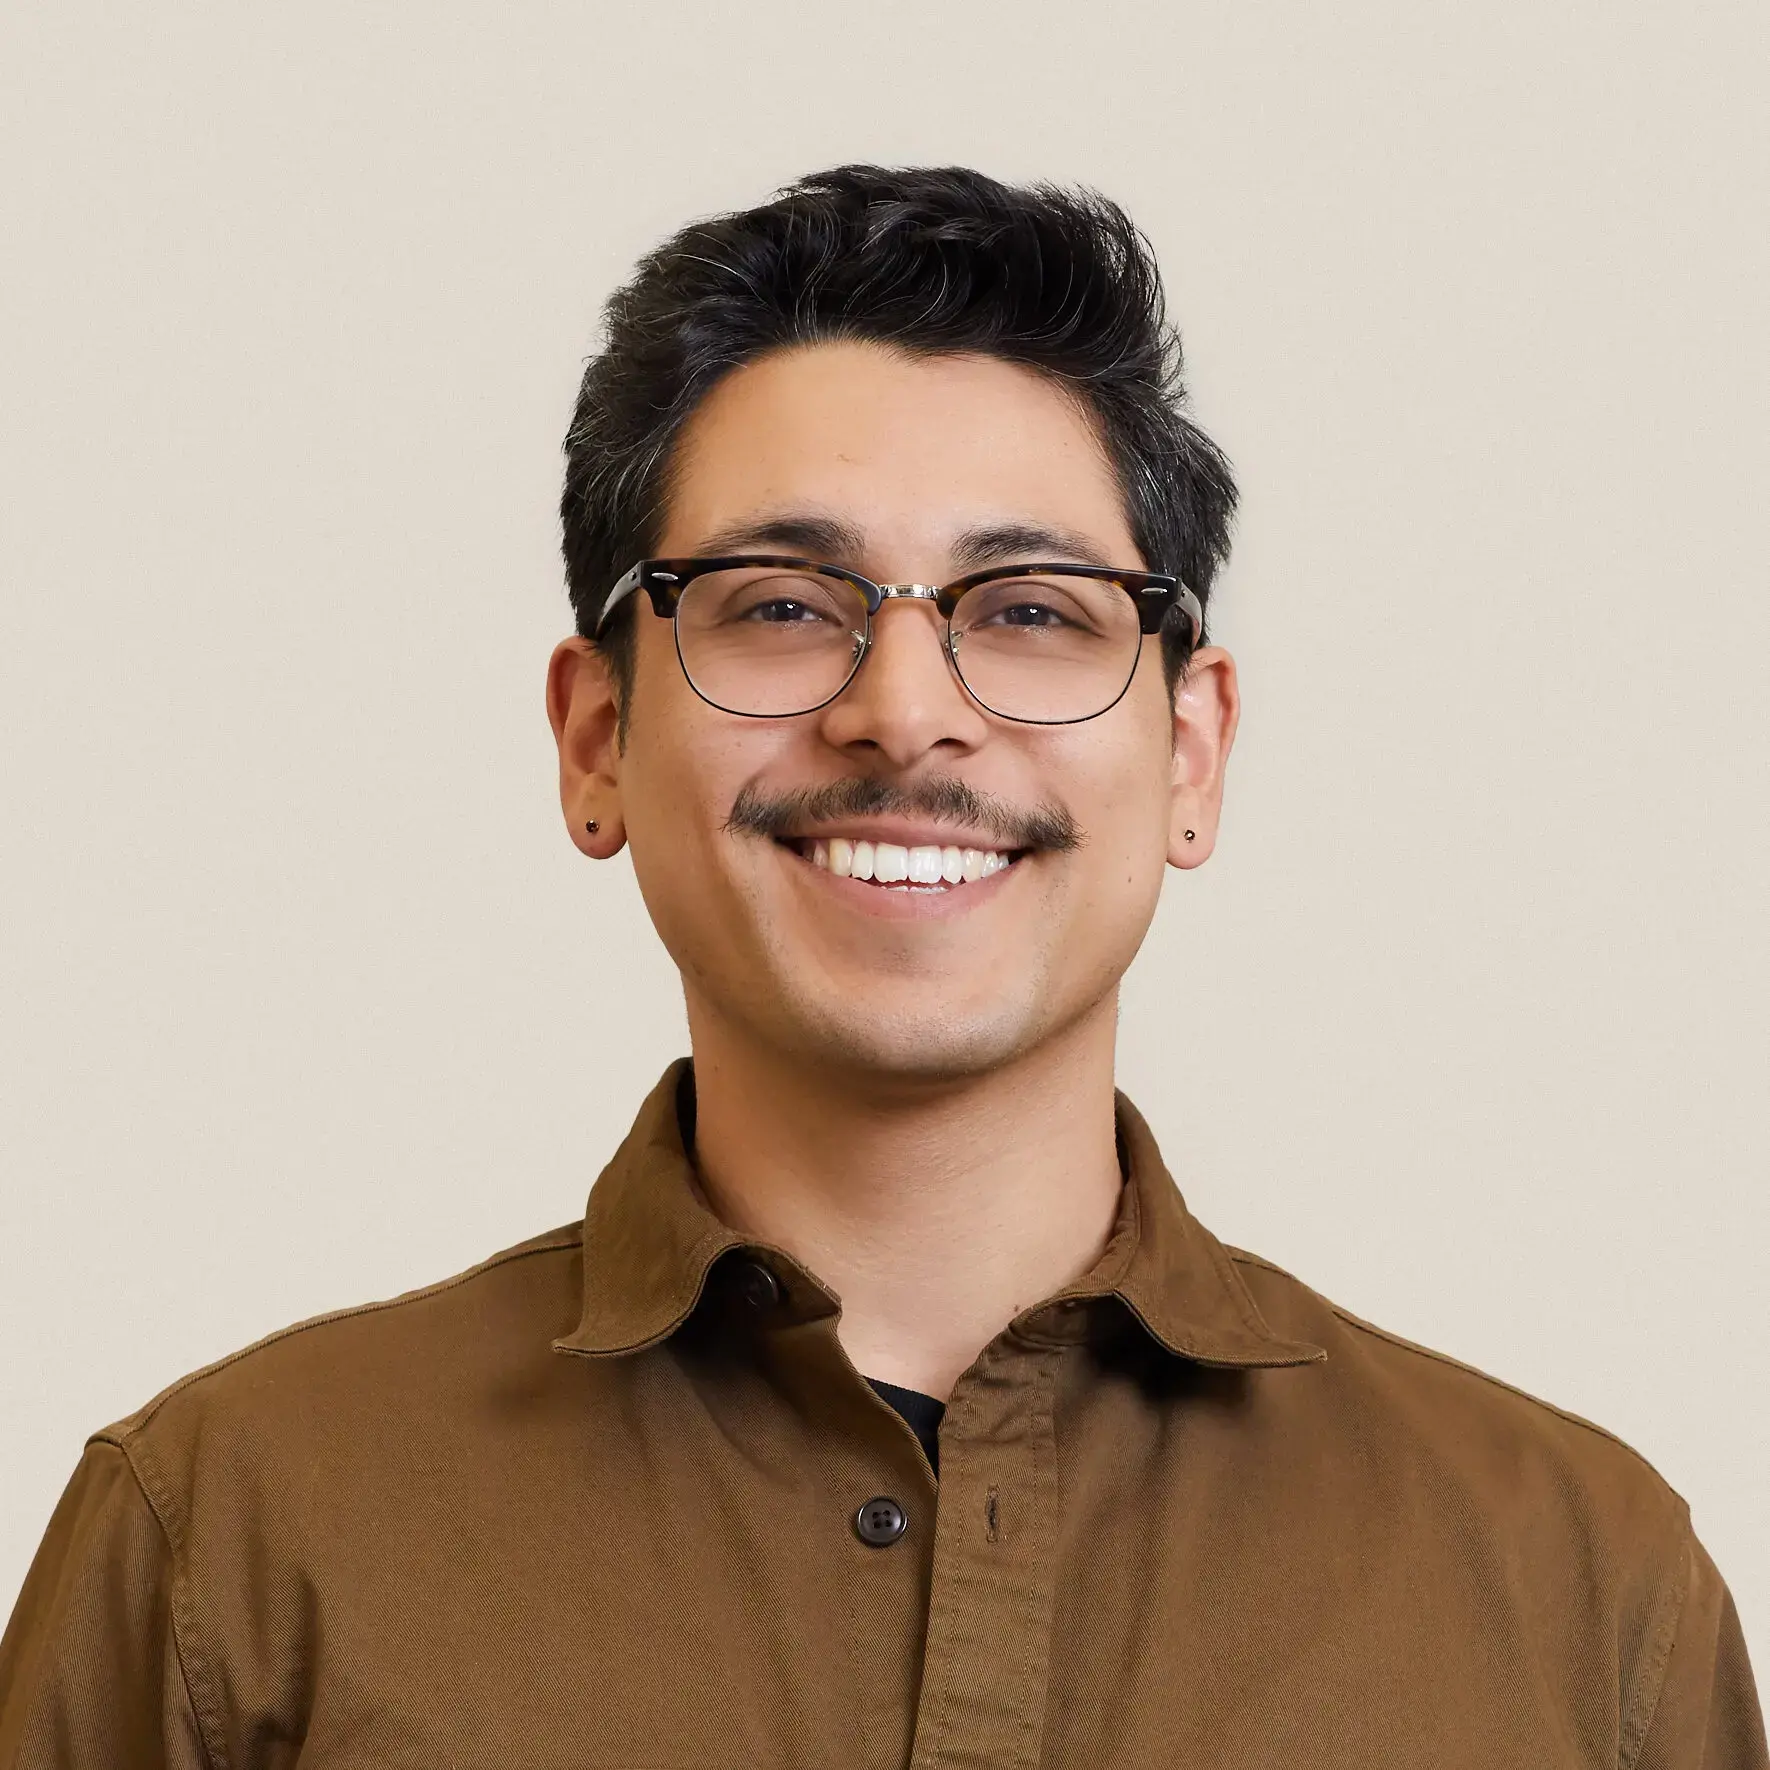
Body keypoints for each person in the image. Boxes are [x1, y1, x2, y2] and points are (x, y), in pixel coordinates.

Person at [1, 164, 1761, 1769]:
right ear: (596, 735)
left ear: (1193, 754)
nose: (905, 708)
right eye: (778, 602)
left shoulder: (1579, 1590)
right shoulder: (224, 1540)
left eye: (1031, 609)